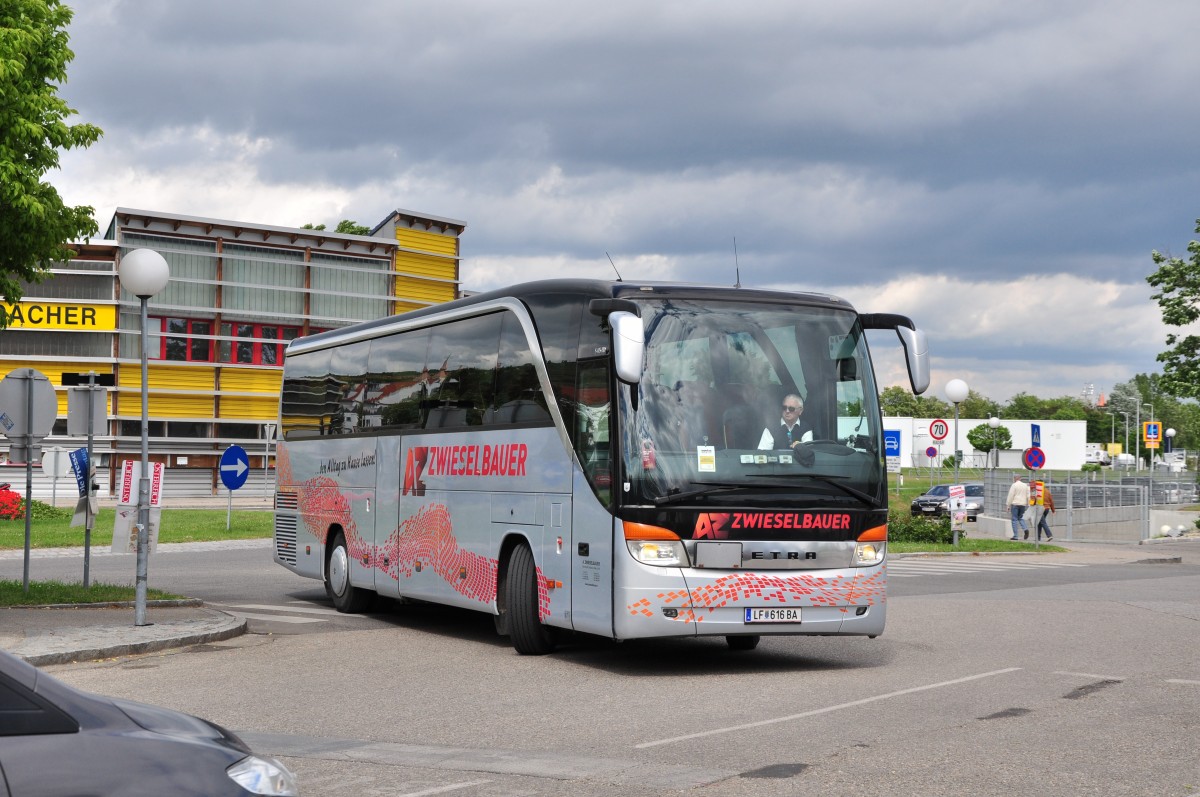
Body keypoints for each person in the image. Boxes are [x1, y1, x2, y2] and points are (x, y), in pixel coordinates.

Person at [1006, 474, 1031, 541]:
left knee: (1014, 519)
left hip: (1015, 504)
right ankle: (1025, 529)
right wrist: (1029, 504)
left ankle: (1015, 536)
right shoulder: (1025, 485)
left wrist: (1008, 505)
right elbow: (1028, 495)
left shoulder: (1014, 485)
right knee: (1021, 518)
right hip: (1023, 504)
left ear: (1014, 478)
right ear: (1020, 478)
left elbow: (1011, 495)